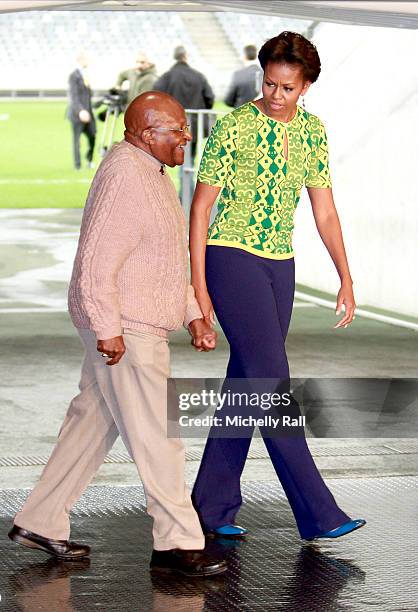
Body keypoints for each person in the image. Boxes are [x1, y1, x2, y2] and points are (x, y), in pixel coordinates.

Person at [8, 91, 227, 578]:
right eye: (177, 130)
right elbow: (95, 262)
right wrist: (108, 329)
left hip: (129, 321)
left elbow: (163, 259)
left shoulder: (152, 172)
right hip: (125, 327)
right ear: (147, 134)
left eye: (186, 129)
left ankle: (39, 519)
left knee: (92, 424)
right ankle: (176, 542)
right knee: (158, 435)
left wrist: (192, 311)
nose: (187, 137)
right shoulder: (126, 177)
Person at [189, 31, 366, 541]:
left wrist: (346, 278)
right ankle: (317, 511)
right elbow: (201, 209)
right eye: (269, 83)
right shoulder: (233, 127)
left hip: (280, 266)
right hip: (231, 256)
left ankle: (210, 504)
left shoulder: (313, 132)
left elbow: (325, 210)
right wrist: (199, 288)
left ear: (305, 85)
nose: (275, 95)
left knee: (248, 386)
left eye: (287, 87)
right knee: (271, 383)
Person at [154, 46, 215, 195]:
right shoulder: (198, 76)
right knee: (188, 160)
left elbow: (155, 95)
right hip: (193, 125)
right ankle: (187, 193)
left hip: (171, 127)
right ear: (186, 57)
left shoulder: (167, 76)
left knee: (169, 161)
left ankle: (182, 194)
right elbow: (210, 98)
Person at [67, 52, 96, 170]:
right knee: (77, 140)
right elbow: (74, 96)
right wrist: (80, 111)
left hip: (89, 112)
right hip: (77, 114)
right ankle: (77, 165)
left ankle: (89, 160)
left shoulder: (85, 75)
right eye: (86, 59)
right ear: (81, 60)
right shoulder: (74, 76)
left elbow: (87, 95)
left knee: (92, 136)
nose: (88, 62)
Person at [224, 44, 262, 108]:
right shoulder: (267, 73)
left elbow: (228, 100)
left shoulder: (238, 74)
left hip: (242, 114)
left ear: (244, 56)